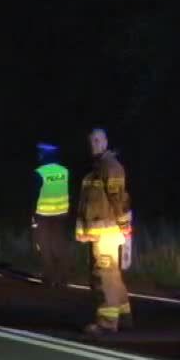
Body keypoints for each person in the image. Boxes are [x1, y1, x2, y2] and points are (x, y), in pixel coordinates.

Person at [74, 128, 133, 337]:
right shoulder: (97, 169)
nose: (94, 144)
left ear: (106, 142)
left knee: (104, 276)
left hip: (107, 233)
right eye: (91, 141)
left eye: (98, 140)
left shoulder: (110, 167)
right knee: (112, 276)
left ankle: (107, 323)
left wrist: (124, 226)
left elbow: (119, 199)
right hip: (101, 233)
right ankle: (124, 316)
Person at [32, 143, 71, 288]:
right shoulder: (64, 171)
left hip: (43, 214)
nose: (39, 155)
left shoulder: (40, 172)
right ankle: (63, 278)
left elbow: (35, 195)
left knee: (44, 245)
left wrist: (32, 214)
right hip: (61, 214)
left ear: (44, 155)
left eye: (40, 153)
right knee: (59, 245)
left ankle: (48, 277)